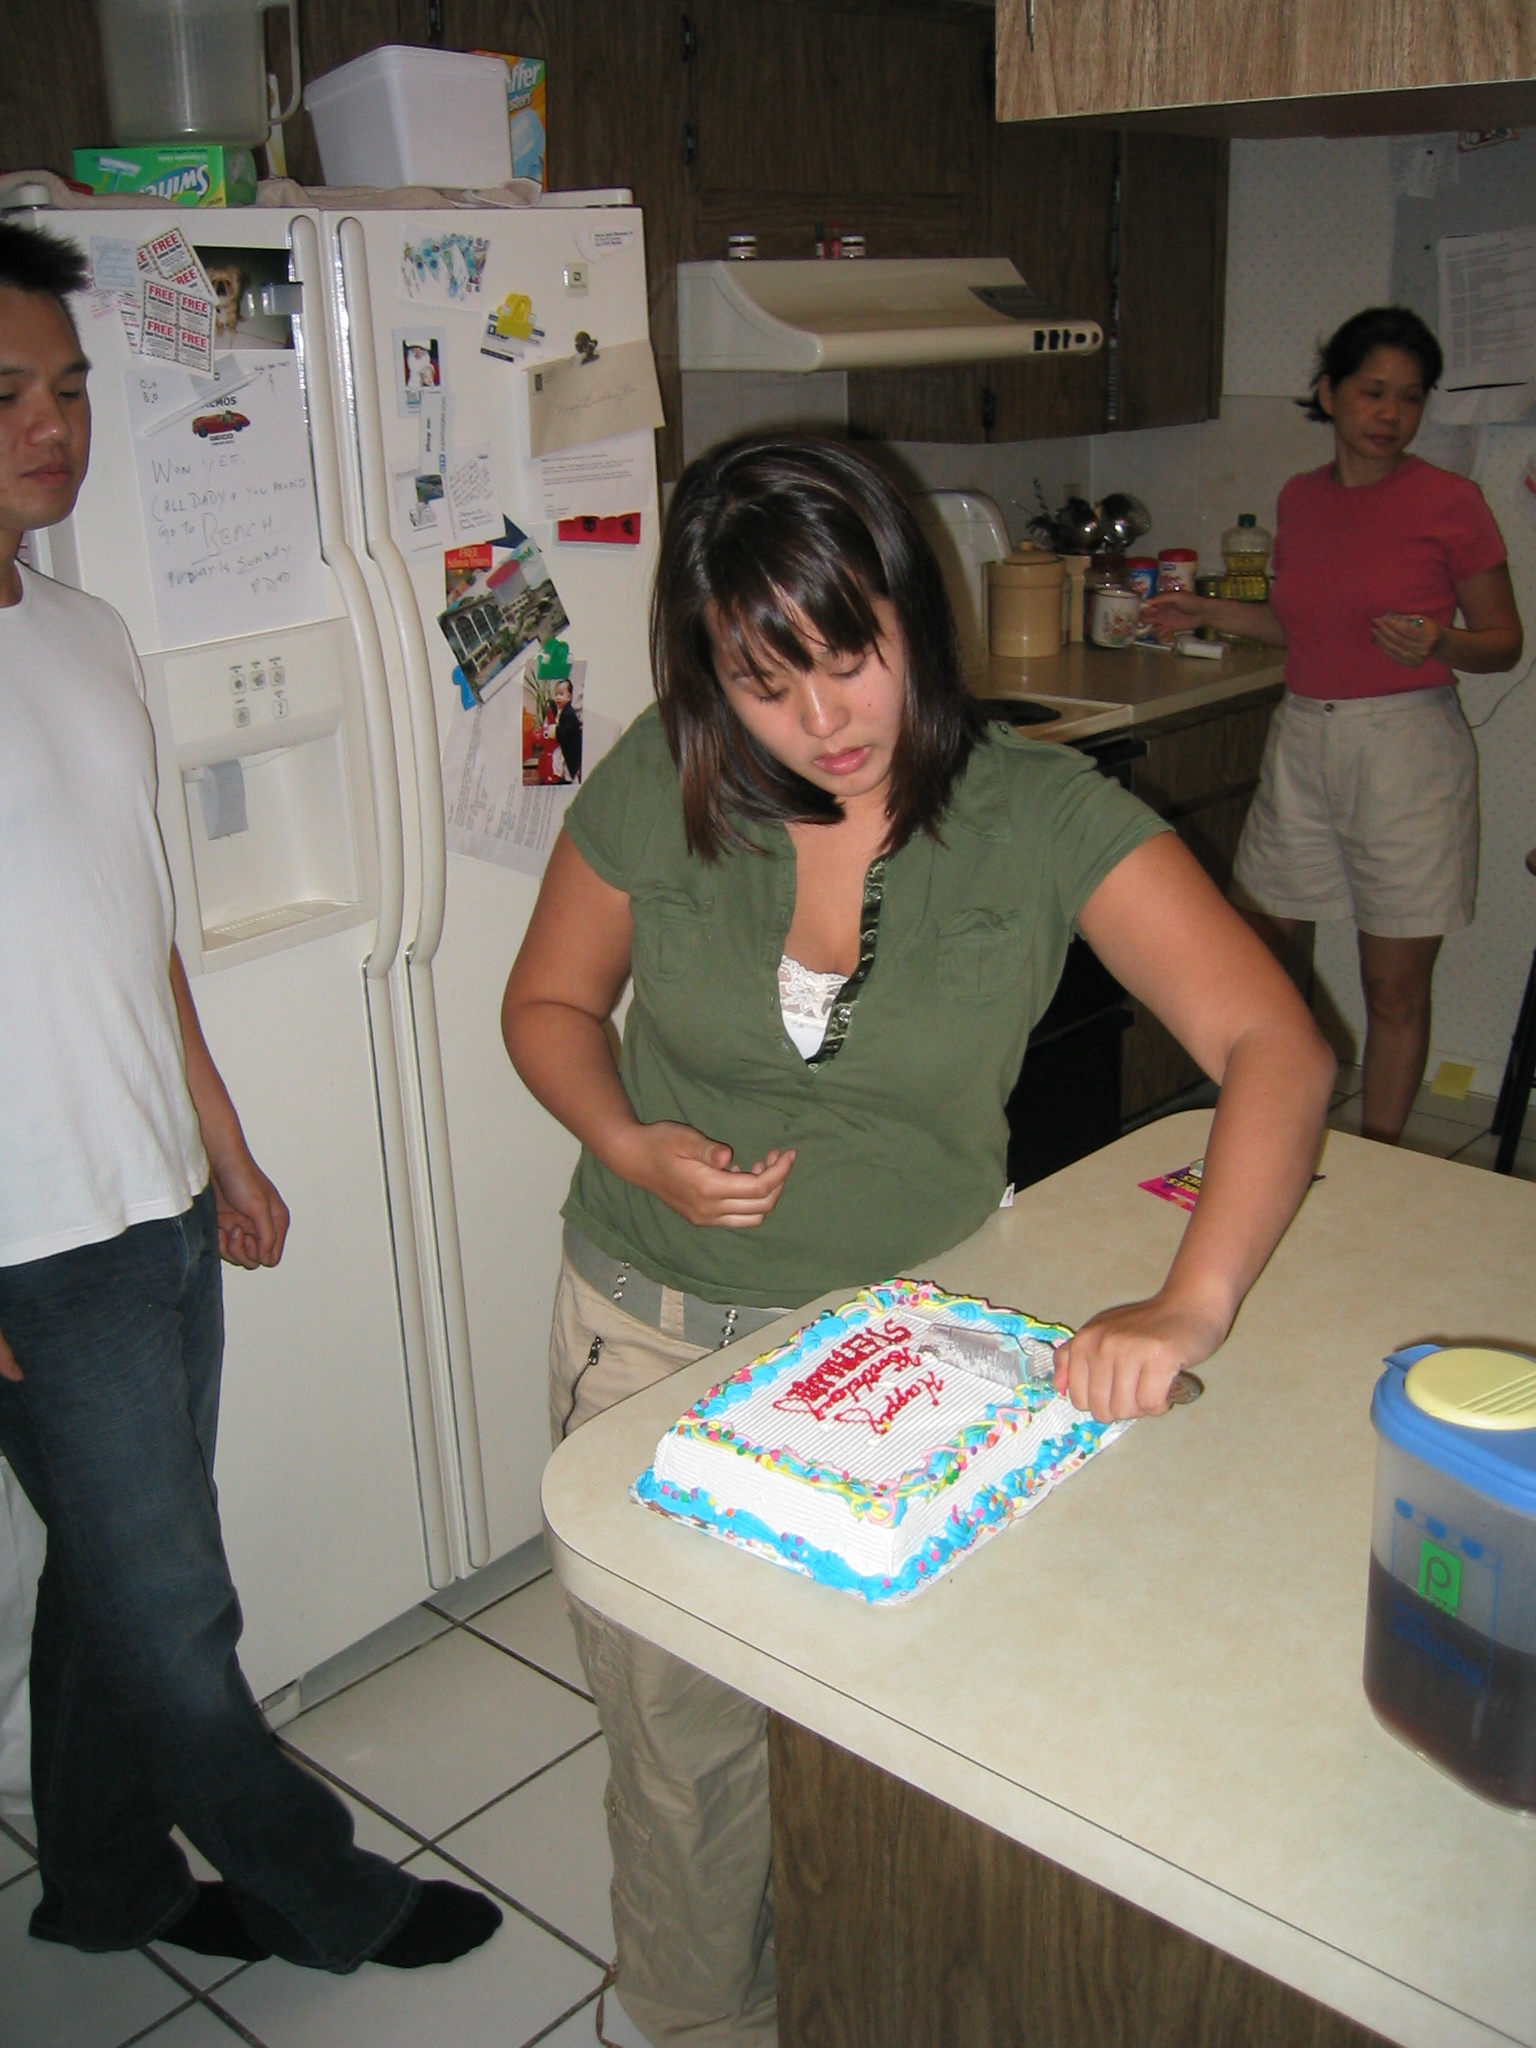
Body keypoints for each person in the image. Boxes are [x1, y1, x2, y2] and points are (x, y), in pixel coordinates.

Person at [502, 436, 1335, 2046]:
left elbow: (1275, 1049)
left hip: (919, 1352)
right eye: (765, 682)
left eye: (854, 653)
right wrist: (626, 1139)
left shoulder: (1037, 810)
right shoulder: (661, 776)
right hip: (655, 1341)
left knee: (902, 1742)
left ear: (914, 615)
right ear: (709, 678)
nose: (824, 718)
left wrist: (1191, 1305)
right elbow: (545, 1002)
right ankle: (693, 2024)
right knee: (684, 1755)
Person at [0, 219, 501, 1972]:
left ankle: (107, 1884)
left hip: (147, 1195)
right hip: (30, 1246)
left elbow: (132, 933)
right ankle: (325, 1898)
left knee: (110, 1587)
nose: (51, 425)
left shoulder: (81, 630)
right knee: (174, 1610)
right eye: (4, 392)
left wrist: (220, 1145)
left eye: (69, 389)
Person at [1144, 306, 1524, 1145]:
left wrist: (1442, 640)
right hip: (1304, 741)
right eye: (1373, 391)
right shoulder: (1301, 498)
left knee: (1392, 988)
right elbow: (1303, 626)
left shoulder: (1450, 502)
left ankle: (1380, 1154)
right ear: (1329, 393)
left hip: (1406, 750)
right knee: (1262, 962)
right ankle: (1278, 1133)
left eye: (1410, 397)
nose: (1391, 414)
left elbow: (1504, 643)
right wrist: (1207, 611)